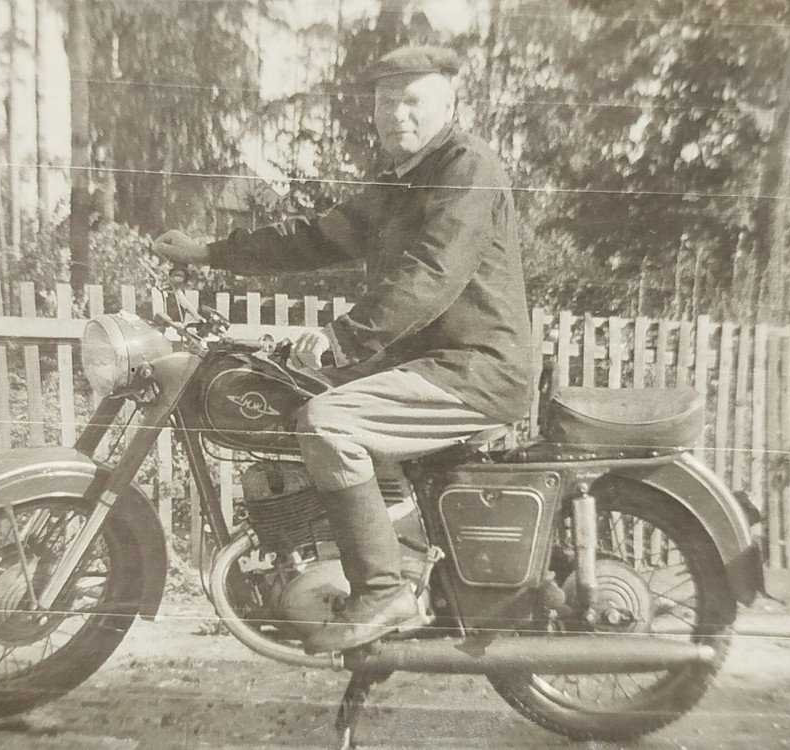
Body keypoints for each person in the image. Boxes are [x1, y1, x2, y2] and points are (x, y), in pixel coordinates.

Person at [153, 45, 533, 654]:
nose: (396, 113)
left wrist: (341, 339)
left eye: (413, 99)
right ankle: (363, 559)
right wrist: (209, 253)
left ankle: (382, 590)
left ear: (449, 103)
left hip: (474, 368)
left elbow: (430, 274)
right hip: (422, 364)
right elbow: (311, 241)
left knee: (328, 422)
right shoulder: (397, 184)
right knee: (297, 395)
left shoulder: (468, 170)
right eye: (386, 99)